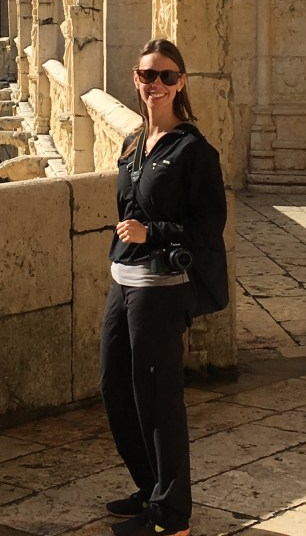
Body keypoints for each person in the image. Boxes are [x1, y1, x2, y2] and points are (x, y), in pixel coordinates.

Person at [100, 38, 227, 536]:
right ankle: (149, 486)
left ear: (181, 83)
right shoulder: (134, 143)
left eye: (166, 76)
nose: (155, 85)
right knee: (117, 389)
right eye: (147, 75)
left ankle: (171, 517)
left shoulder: (193, 150)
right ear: (135, 79)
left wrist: (154, 233)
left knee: (158, 399)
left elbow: (209, 225)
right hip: (123, 280)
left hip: (162, 286)